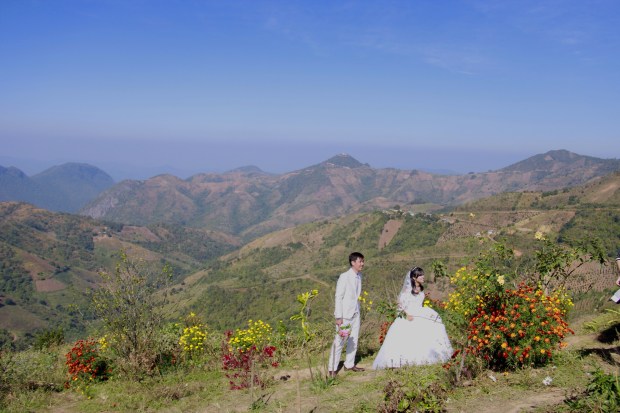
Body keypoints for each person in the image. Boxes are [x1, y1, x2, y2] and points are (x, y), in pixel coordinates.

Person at [373, 267, 453, 369]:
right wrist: (406, 315)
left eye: (423, 274)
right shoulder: (407, 291)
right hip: (409, 315)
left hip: (421, 313)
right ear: (414, 278)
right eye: (420, 275)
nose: (423, 276)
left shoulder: (421, 289)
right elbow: (400, 305)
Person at [328, 252, 365, 377]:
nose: (362, 264)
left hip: (355, 314)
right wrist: (339, 317)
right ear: (353, 262)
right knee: (340, 341)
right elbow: (338, 296)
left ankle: (349, 364)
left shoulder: (359, 276)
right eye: (360, 261)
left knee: (353, 340)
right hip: (344, 316)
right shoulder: (344, 277)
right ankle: (332, 369)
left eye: (363, 261)